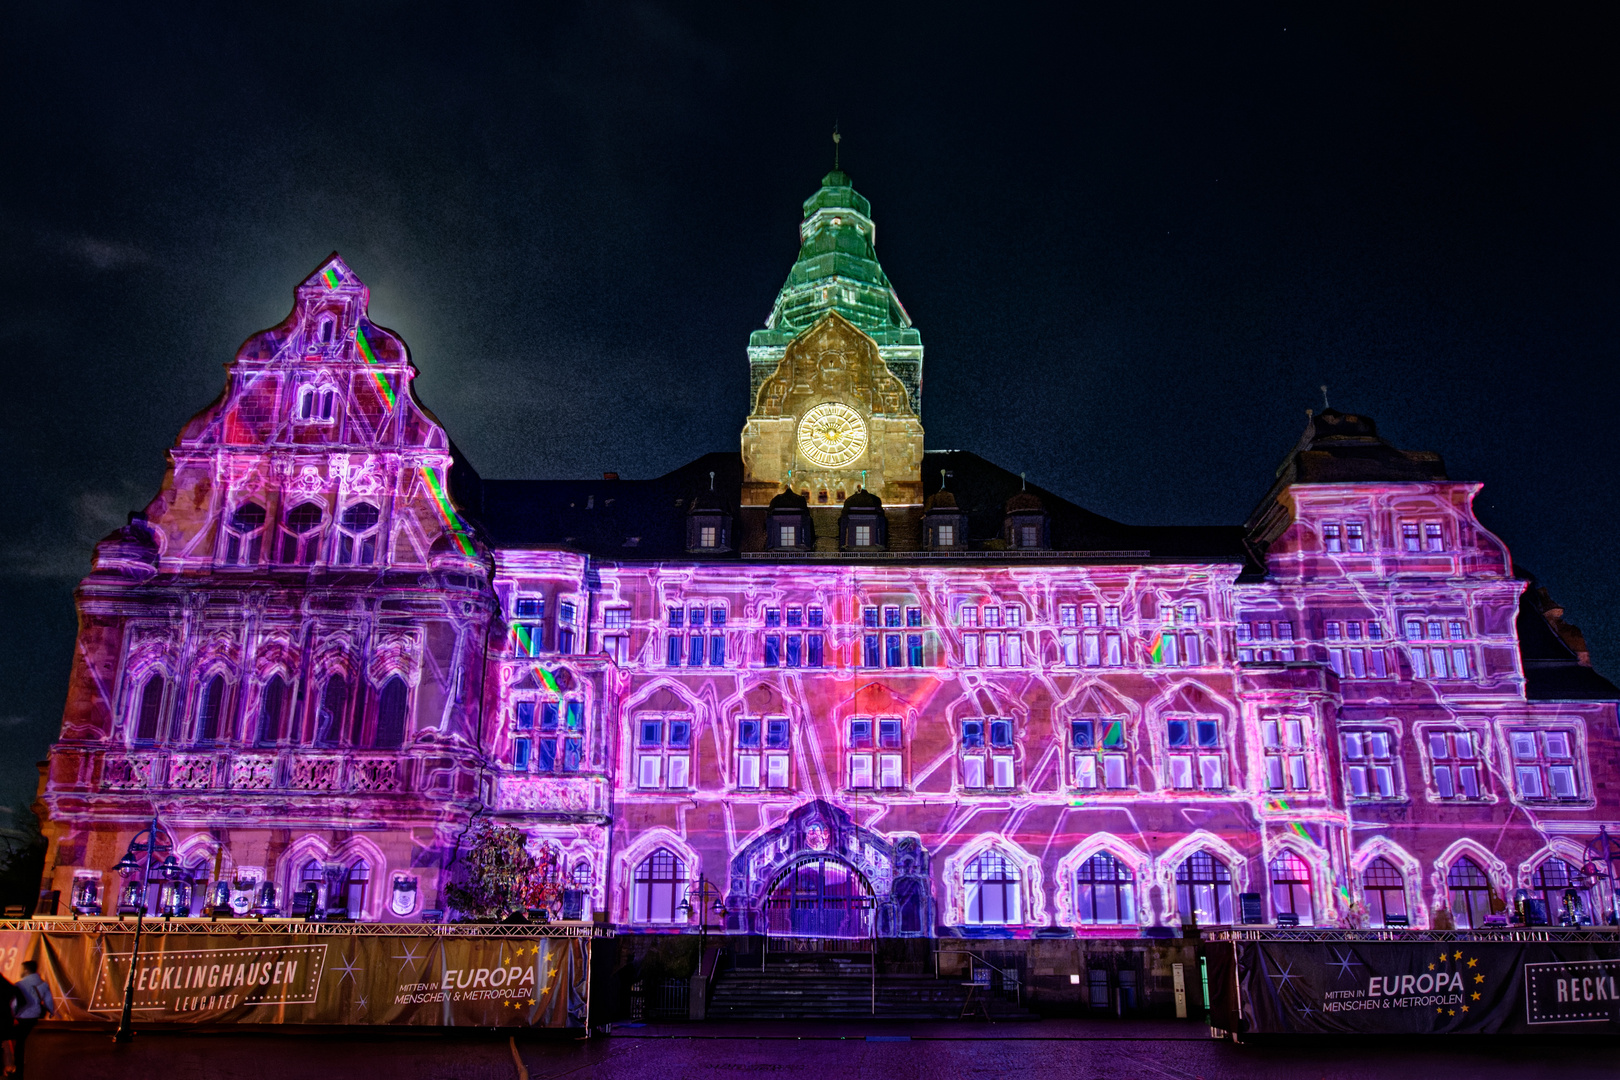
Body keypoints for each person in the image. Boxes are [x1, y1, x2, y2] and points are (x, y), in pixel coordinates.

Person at [12, 961, 53, 1078]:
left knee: (19, 1044)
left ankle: (18, 1070)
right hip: (34, 1017)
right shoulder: (43, 984)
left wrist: (13, 1014)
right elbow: (48, 1000)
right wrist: (51, 1011)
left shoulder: (19, 985)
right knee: (30, 1042)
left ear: (25, 970)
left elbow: (14, 1004)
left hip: (21, 1018)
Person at [0, 971, 19, 1077]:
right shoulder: (6, 984)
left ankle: (7, 1067)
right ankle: (9, 1067)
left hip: (3, 1017)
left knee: (5, 1043)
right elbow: (14, 991)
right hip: (5, 1016)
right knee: (6, 1042)